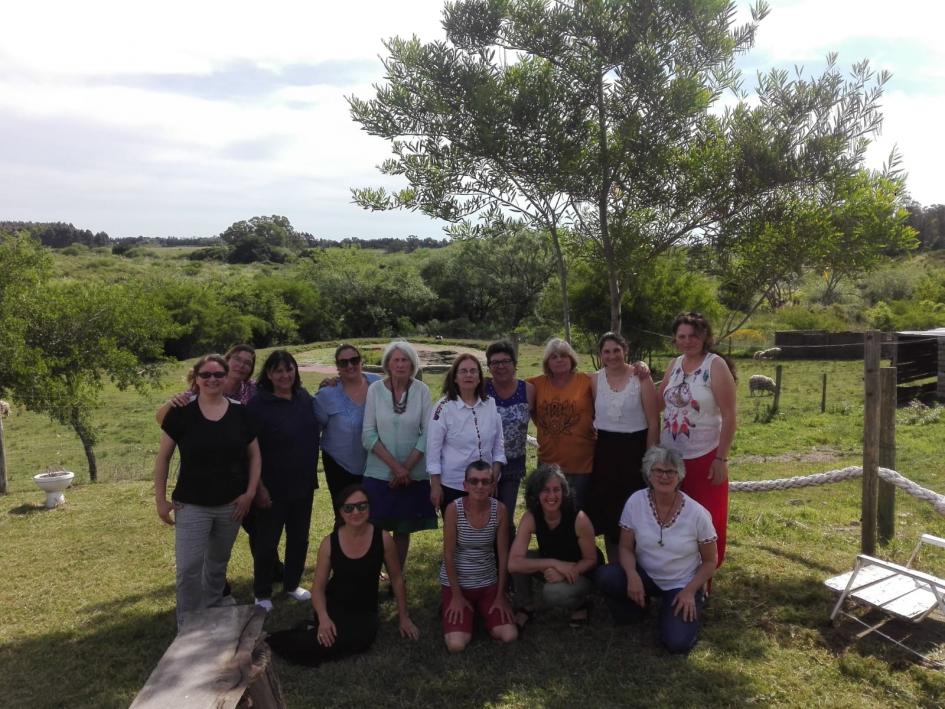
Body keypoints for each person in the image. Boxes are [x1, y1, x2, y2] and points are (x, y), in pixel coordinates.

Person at [155, 344, 281, 586]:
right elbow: (164, 423)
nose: (242, 365)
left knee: (250, 534)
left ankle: (266, 575)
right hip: (198, 489)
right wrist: (173, 402)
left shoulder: (251, 394)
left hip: (241, 480)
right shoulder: (192, 396)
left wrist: (254, 489)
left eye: (248, 362)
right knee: (194, 558)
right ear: (227, 360)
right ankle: (202, 603)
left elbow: (255, 448)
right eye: (238, 359)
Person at [153, 354, 261, 628]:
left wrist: (249, 494)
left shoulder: (240, 412)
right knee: (189, 568)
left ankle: (213, 610)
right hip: (191, 505)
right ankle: (187, 625)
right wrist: (161, 501)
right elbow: (163, 458)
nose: (212, 379)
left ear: (226, 378)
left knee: (217, 565)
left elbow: (254, 456)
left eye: (218, 375)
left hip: (231, 505)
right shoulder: (182, 412)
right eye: (206, 375)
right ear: (196, 379)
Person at [266, 485, 420, 666]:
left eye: (362, 506)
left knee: (362, 640)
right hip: (334, 605)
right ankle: (275, 639)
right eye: (349, 508)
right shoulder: (329, 542)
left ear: (369, 508)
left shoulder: (383, 538)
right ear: (341, 512)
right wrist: (323, 618)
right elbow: (318, 588)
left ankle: (305, 631)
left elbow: (396, 578)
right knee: (323, 642)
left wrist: (404, 617)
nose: (356, 511)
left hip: (365, 609)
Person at [596, 446, 717, 653]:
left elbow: (710, 561)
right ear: (648, 474)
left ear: (679, 476)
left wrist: (690, 590)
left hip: (681, 583)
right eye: (658, 471)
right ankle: (637, 608)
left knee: (677, 643)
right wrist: (632, 575)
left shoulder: (697, 514)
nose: (664, 476)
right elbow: (625, 547)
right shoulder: (635, 501)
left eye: (671, 471)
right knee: (605, 576)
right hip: (646, 576)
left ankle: (689, 604)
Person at [658, 312, 736, 568]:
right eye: (682, 336)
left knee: (705, 521)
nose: (687, 341)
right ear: (674, 339)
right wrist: (637, 377)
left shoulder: (715, 365)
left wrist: (721, 458)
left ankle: (704, 579)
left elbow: (729, 414)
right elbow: (658, 403)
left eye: (693, 336)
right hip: (671, 460)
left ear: (704, 337)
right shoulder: (674, 365)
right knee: (673, 518)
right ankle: (675, 576)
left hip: (704, 457)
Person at [246, 350, 319, 611]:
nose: (285, 375)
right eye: (278, 371)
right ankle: (262, 592)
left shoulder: (304, 398)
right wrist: (259, 487)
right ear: (268, 374)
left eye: (289, 369)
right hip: (271, 488)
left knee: (299, 538)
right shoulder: (257, 405)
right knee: (267, 542)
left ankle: (291, 584)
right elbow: (249, 450)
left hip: (303, 484)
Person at [362, 340, 436, 576]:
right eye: (396, 360)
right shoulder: (375, 390)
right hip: (379, 472)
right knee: (377, 526)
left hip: (413, 473)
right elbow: (368, 434)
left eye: (405, 360)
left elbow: (428, 434)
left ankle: (396, 576)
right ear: (387, 364)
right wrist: (396, 468)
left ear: (412, 364)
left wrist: (406, 469)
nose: (401, 364)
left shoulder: (422, 391)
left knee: (402, 528)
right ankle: (376, 573)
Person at [586, 332, 659, 562]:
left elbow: (654, 421)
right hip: (605, 452)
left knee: (636, 509)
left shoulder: (641, 377)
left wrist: (650, 459)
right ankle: (615, 566)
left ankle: (640, 567)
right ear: (601, 355)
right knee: (609, 510)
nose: (612, 355)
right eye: (606, 351)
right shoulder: (594, 380)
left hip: (635, 451)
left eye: (616, 350)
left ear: (625, 350)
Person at [508, 464, 600, 628]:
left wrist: (565, 573)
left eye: (556, 489)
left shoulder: (579, 518)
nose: (551, 495)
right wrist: (555, 564)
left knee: (551, 592)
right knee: (521, 560)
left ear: (564, 492)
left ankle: (582, 604)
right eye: (545, 490)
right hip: (555, 562)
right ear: (536, 493)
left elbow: (592, 559)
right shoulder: (531, 517)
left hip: (582, 571)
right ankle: (526, 606)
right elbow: (513, 563)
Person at [440, 461, 517, 652]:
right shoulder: (453, 510)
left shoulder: (500, 510)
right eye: (474, 481)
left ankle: (478, 611)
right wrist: (456, 596)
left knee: (510, 635)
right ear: (465, 485)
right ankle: (456, 607)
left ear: (493, 485)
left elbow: (503, 554)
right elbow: (448, 555)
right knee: (456, 645)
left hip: (487, 583)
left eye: (485, 481)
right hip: (458, 584)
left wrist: (501, 596)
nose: (480, 486)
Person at [427, 353, 506, 516]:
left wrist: (493, 478)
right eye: (463, 371)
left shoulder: (490, 404)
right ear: (455, 377)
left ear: (479, 378)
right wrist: (435, 486)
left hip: (484, 484)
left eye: (473, 371)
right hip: (453, 485)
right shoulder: (443, 408)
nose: (469, 375)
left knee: (484, 533)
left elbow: (499, 445)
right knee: (456, 536)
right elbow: (433, 451)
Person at [528, 338, 596, 511]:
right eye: (554, 356)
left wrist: (640, 365)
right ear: (547, 362)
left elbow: (616, 377)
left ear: (572, 358)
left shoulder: (587, 381)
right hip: (548, 462)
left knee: (577, 514)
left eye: (564, 355)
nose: (559, 359)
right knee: (549, 514)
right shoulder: (534, 384)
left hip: (582, 463)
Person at [314, 343, 382, 509]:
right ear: (337, 367)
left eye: (354, 360)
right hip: (339, 465)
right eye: (344, 363)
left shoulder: (378, 384)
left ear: (361, 361)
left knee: (375, 514)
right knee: (345, 514)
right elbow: (315, 429)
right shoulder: (326, 395)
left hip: (376, 462)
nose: (350, 365)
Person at [484, 340, 534, 538]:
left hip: (513, 464)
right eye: (495, 363)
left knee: (505, 516)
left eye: (505, 361)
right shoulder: (482, 389)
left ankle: (506, 564)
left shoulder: (528, 389)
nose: (501, 366)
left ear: (515, 364)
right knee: (484, 515)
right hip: (483, 464)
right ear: (489, 367)